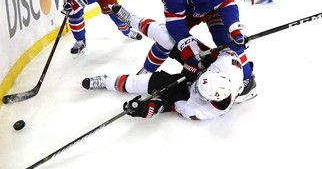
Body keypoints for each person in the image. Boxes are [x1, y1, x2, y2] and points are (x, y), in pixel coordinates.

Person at [81, 9, 257, 120]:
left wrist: (150, 108)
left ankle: (106, 81)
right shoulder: (229, 68)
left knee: (143, 84)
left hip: (186, 90)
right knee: (167, 35)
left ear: (209, 100)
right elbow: (231, 51)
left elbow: (172, 104)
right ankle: (132, 19)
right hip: (205, 65)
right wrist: (237, 39)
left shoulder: (201, 111)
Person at [135, 0, 254, 97]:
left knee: (224, 39)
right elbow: (175, 22)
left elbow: (225, 4)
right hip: (190, 13)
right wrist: (187, 44)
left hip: (212, 9)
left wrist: (235, 27)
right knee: (167, 39)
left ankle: (248, 78)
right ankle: (147, 70)